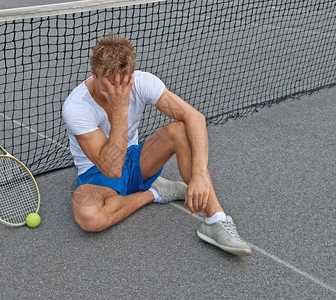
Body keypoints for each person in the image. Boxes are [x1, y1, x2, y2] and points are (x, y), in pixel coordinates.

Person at [62, 33, 251, 256]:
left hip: (135, 160)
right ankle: (155, 191)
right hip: (98, 172)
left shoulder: (143, 82)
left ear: (131, 75)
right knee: (89, 219)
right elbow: (111, 168)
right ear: (94, 74)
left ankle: (215, 220)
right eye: (109, 83)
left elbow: (195, 118)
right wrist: (121, 108)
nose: (117, 89)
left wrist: (199, 174)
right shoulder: (76, 107)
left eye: (123, 81)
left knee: (181, 130)